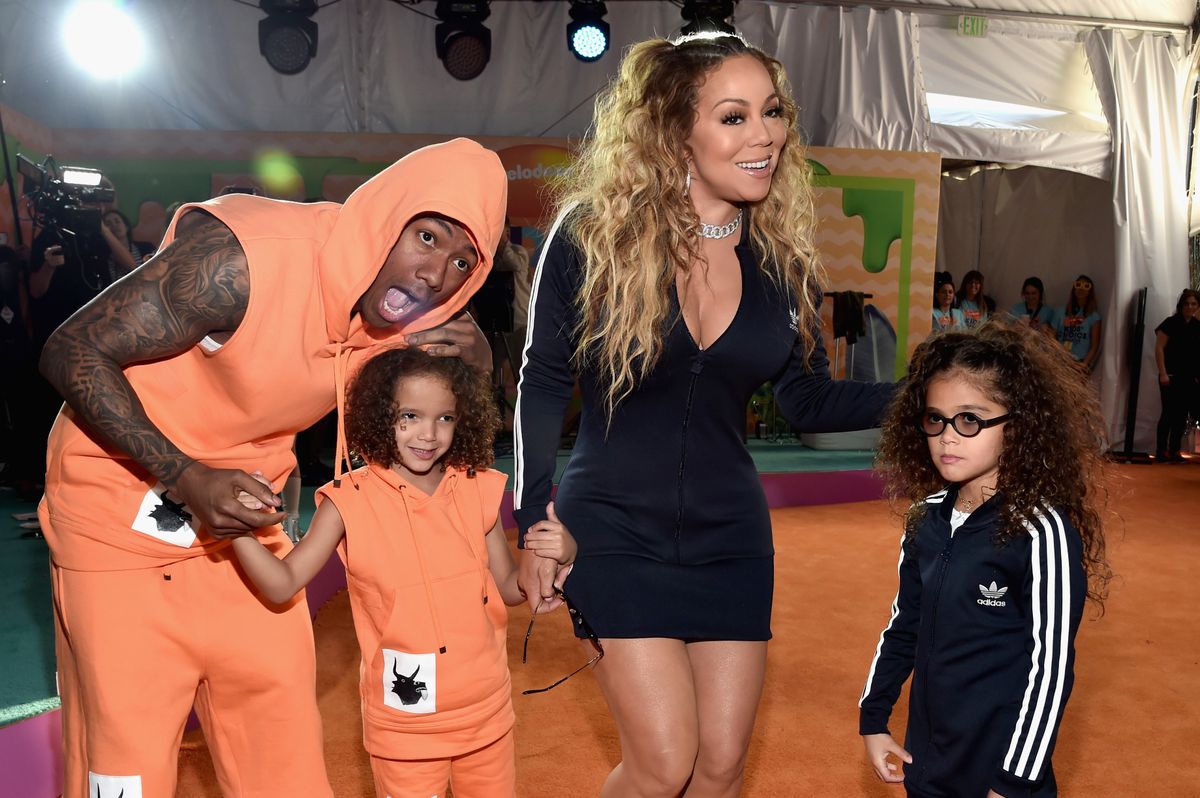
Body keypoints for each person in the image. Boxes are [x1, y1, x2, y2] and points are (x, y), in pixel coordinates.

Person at [36, 138, 507, 797]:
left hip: (243, 520)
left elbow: (444, 422)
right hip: (121, 504)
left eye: (463, 260)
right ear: (385, 213)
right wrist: (188, 477)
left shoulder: (408, 321)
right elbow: (72, 351)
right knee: (126, 763)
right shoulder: (246, 259)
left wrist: (478, 357)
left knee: (281, 750)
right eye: (426, 236)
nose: (436, 274)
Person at [514, 33, 894, 797]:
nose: (765, 135)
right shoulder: (593, 235)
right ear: (672, 130)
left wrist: (926, 398)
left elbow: (806, 399)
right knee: (663, 766)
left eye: (773, 112)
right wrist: (530, 520)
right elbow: (543, 379)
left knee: (719, 771)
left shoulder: (783, 262)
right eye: (734, 116)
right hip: (613, 526)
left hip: (732, 537)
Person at [231, 348, 575, 798]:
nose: (428, 434)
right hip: (404, 726)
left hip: (486, 710)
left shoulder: (477, 487)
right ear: (378, 414)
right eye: (409, 415)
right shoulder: (347, 501)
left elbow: (509, 588)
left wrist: (554, 556)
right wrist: (232, 527)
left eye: (445, 418)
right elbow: (281, 584)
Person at [859, 320, 1110, 798]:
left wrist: (1013, 782)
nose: (948, 437)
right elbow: (903, 625)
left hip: (1001, 774)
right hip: (928, 764)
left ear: (1016, 426)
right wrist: (873, 718)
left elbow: (1051, 669)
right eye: (936, 418)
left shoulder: (1041, 531)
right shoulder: (923, 520)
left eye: (970, 419)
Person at [1153, 288, 1200, 462]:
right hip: (1170, 376)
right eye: (1187, 303)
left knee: (1181, 415)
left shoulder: (1197, 327)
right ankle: (1160, 451)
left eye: (1194, 303)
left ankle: (1174, 451)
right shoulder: (1170, 323)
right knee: (1168, 414)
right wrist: (1163, 373)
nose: (1190, 306)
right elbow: (1159, 349)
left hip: (1189, 378)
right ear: (1181, 305)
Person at [1057, 274, 1102, 372]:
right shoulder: (1060, 311)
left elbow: (1095, 345)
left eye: (1086, 286)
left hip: (1078, 364)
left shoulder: (1094, 316)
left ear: (1090, 291)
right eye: (1078, 285)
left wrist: (1084, 364)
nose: (1081, 289)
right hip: (1059, 362)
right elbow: (1051, 335)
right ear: (1073, 289)